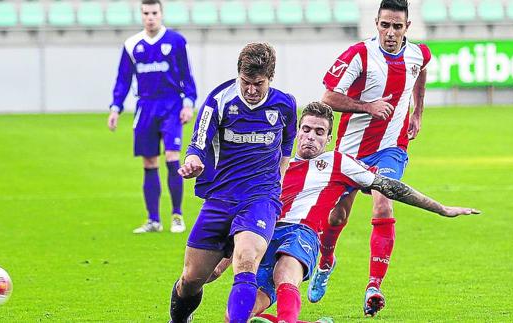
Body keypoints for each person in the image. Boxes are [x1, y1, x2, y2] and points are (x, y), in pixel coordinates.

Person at [245, 102, 479, 323]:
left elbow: (391, 187)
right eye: (306, 129)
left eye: (319, 132)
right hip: (264, 237)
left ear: (328, 139)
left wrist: (441, 209)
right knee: (235, 315)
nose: (311, 137)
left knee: (286, 271)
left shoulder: (337, 162)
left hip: (300, 236)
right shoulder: (277, 162)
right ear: (298, 132)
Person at [308, 0, 432, 316]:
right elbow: (327, 97)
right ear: (376, 23)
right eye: (385, 25)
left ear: (407, 27)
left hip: (391, 148)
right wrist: (368, 106)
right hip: (351, 150)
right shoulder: (359, 55)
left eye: (397, 26)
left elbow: (421, 72)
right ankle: (326, 261)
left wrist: (417, 110)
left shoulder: (418, 53)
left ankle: (374, 286)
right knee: (336, 217)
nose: (390, 33)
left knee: (384, 200)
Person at [169, 43, 297, 323]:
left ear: (270, 77)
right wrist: (193, 161)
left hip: (260, 199)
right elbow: (197, 144)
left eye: (258, 84)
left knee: (247, 259)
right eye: (246, 83)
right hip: (221, 199)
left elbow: (287, 145)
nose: (251, 90)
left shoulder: (285, 105)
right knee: (192, 279)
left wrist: (279, 180)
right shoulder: (219, 100)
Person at [107, 0, 197, 234]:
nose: (150, 17)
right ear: (141, 15)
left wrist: (188, 103)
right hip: (145, 106)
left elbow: (187, 76)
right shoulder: (132, 45)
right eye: (146, 13)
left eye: (154, 13)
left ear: (161, 14)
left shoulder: (176, 42)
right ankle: (153, 220)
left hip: (171, 105)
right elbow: (123, 79)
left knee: (171, 156)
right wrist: (116, 108)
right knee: (149, 162)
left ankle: (177, 215)